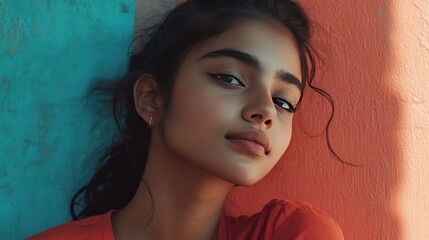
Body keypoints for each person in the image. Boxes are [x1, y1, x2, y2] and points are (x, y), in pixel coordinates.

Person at [28, 0, 345, 239]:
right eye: (230, 78)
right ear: (151, 98)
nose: (266, 110)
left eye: (283, 101)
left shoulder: (292, 234)